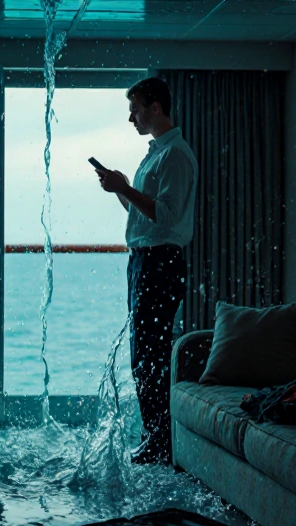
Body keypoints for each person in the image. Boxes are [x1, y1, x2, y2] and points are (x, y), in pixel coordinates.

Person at [95, 77, 198, 465]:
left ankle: (160, 442)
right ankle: (156, 437)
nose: (131, 118)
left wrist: (127, 187)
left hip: (160, 263)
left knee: (149, 355)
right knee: (144, 353)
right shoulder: (156, 154)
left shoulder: (175, 156)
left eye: (135, 109)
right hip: (144, 261)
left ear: (155, 106)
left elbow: (167, 216)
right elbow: (146, 217)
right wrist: (121, 190)